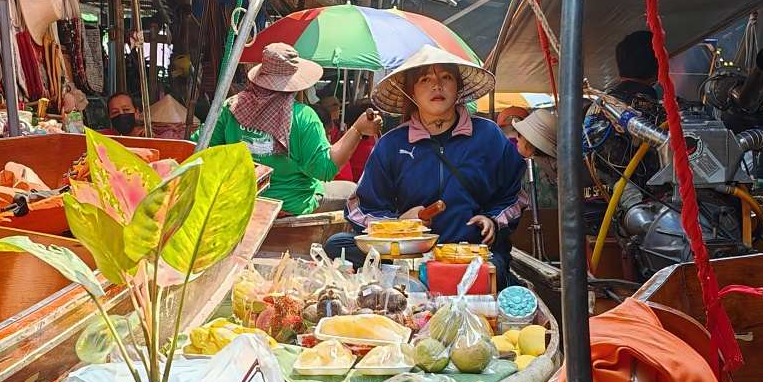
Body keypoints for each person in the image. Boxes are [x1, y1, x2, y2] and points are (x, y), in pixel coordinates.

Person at [324, 45, 525, 287]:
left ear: (457, 87)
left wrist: (493, 219)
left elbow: (515, 196)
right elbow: (361, 208)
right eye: (424, 79)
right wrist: (399, 225)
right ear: (411, 92)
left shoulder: (488, 135)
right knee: (336, 244)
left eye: (446, 77)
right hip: (409, 257)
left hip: (473, 255)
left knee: (498, 271)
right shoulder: (391, 144)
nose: (437, 86)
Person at [206, 43, 381, 215]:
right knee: (351, 190)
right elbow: (325, 170)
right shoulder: (303, 117)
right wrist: (358, 129)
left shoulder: (231, 107)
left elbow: (204, 150)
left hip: (239, 200)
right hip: (292, 203)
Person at [584, 29, 663, 213]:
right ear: (658, 65)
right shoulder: (657, 111)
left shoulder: (596, 106)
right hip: (647, 213)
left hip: (595, 208)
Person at [512, 108, 559, 210]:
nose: (516, 138)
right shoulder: (558, 163)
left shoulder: (532, 167)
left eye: (519, 134)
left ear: (530, 142)